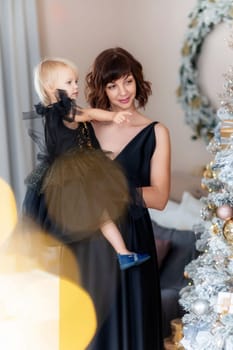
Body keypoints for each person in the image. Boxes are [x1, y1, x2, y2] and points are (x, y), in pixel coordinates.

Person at [22, 57, 150, 271]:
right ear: (50, 87)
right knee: (99, 215)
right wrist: (113, 116)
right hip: (72, 174)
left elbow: (87, 117)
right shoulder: (61, 110)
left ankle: (123, 254)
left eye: (76, 81)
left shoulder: (60, 110)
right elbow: (89, 114)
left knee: (102, 215)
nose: (75, 86)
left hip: (72, 172)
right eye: (69, 82)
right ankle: (123, 254)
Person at [81, 47, 171, 349]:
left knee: (136, 330)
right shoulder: (86, 128)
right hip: (91, 240)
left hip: (133, 239)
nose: (123, 92)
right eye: (112, 84)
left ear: (138, 81)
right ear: (101, 88)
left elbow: (159, 197)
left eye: (128, 81)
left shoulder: (156, 132)